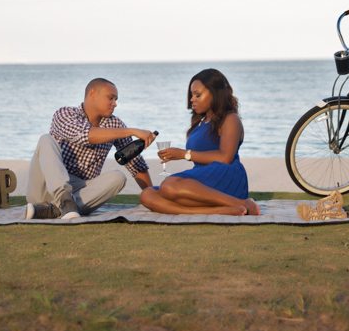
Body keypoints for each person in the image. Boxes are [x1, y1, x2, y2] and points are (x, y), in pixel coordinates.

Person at [26, 78, 156, 220]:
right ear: (92, 94)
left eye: (116, 99)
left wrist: (152, 196)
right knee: (46, 139)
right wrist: (131, 131)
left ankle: (55, 210)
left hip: (80, 191)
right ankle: (65, 201)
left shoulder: (115, 124)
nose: (115, 104)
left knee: (118, 177)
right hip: (46, 186)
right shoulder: (65, 114)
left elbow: (135, 163)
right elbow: (84, 135)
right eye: (110, 98)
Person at [140, 69, 259, 216]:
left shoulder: (230, 119)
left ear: (215, 93)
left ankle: (239, 202)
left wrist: (184, 154)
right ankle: (221, 210)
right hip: (204, 178)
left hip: (226, 176)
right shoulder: (201, 122)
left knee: (168, 186)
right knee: (147, 194)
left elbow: (225, 157)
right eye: (191, 95)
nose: (192, 99)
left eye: (197, 95)